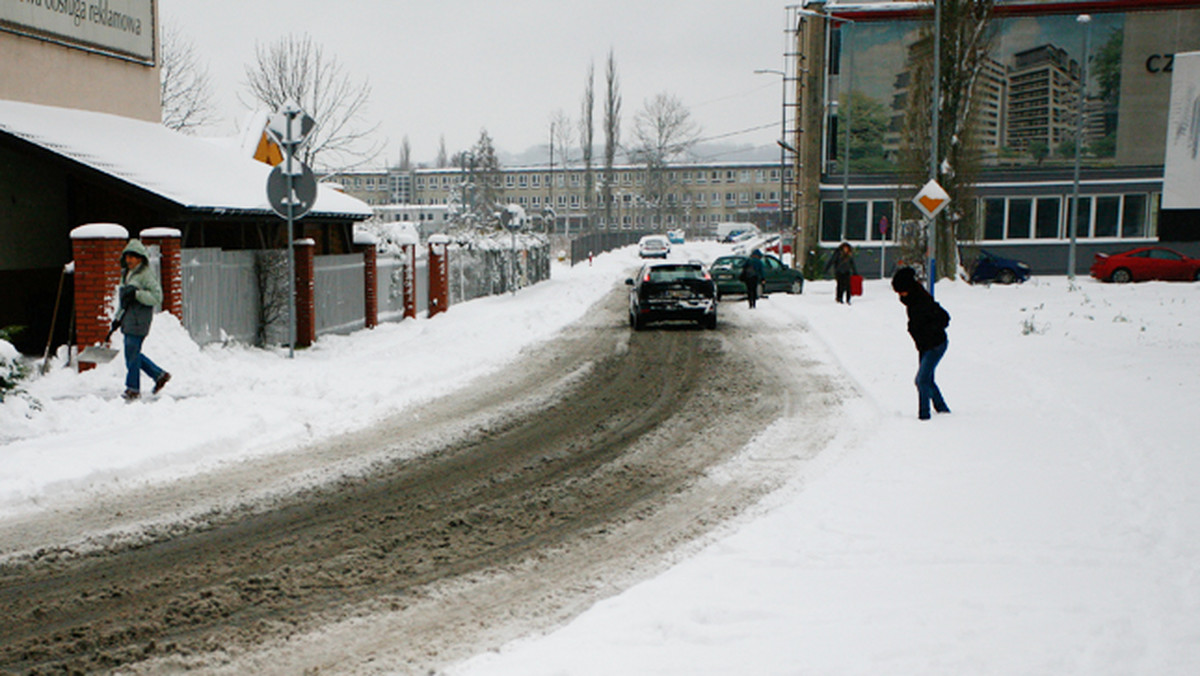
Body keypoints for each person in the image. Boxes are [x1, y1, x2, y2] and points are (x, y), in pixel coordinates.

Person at [114, 239, 170, 401]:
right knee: (133, 353)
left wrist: (138, 294)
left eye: (133, 257)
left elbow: (157, 297)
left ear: (140, 258)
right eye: (127, 257)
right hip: (128, 320)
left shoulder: (146, 275)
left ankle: (133, 388)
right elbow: (124, 300)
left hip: (139, 320)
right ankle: (159, 375)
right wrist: (117, 319)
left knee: (131, 352)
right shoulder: (126, 274)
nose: (129, 260)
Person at [891, 266, 950, 420]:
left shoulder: (922, 301)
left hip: (936, 345)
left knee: (921, 379)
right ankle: (942, 409)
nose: (899, 294)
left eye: (900, 291)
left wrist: (930, 331)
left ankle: (924, 415)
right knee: (928, 379)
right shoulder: (912, 301)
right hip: (924, 345)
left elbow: (944, 318)